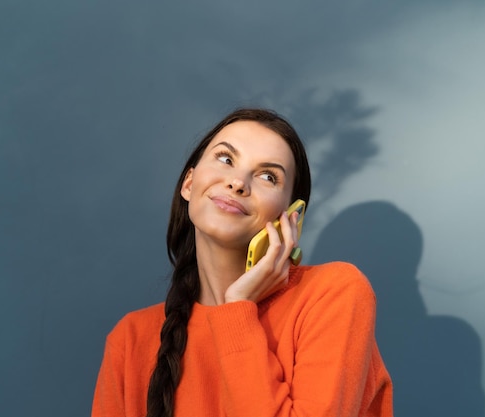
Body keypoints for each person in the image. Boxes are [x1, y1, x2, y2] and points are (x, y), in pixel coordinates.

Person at [91, 108, 393, 417]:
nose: (238, 182)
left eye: (267, 176)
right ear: (189, 183)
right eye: (225, 159)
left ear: (291, 218)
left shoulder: (333, 294)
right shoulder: (130, 339)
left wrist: (238, 308)